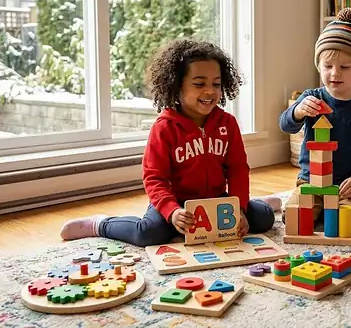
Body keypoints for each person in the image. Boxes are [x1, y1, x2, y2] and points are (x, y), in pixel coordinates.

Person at [60, 39, 280, 247]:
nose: (210, 91)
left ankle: (260, 203)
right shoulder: (164, 128)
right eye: (199, 83)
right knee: (148, 233)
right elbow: (154, 178)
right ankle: (101, 224)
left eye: (216, 84)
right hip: (176, 203)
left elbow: (237, 170)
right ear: (177, 85)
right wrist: (171, 211)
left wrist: (239, 206)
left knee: (263, 219)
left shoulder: (227, 124)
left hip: (215, 200)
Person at [280, 8, 351, 233]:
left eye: (345, 67)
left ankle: (332, 211)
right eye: (327, 66)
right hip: (311, 182)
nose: (335, 73)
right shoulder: (311, 97)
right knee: (294, 219)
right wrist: (297, 111)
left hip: (348, 185)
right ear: (319, 67)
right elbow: (285, 125)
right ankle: (323, 211)